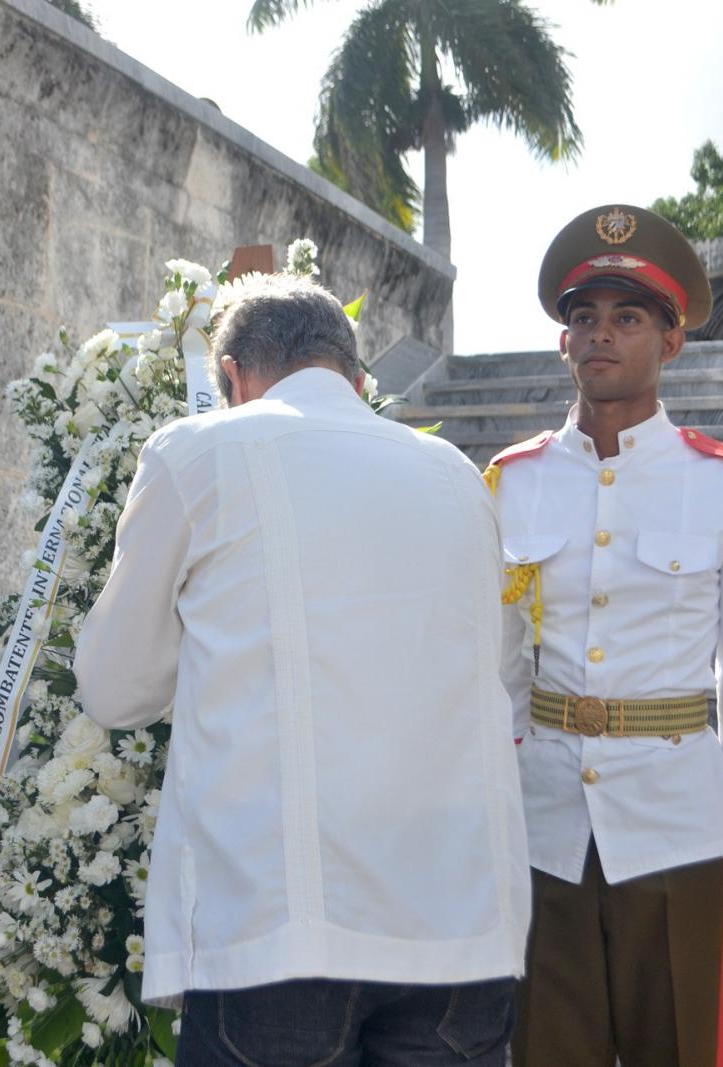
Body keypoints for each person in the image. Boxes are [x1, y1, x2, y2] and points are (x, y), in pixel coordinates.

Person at [74, 274, 531, 1066]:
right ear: (357, 380)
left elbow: (115, 690)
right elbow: (501, 672)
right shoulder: (458, 474)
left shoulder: (198, 451)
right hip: (459, 923)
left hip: (280, 926)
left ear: (233, 380)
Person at [494, 204, 723, 1067]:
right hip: (546, 837)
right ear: (562, 342)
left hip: (682, 837)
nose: (601, 335)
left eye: (628, 317)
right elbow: (504, 677)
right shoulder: (511, 485)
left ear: (672, 343)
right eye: (583, 317)